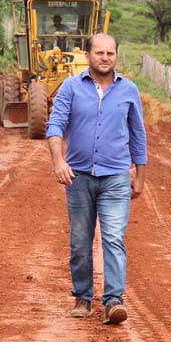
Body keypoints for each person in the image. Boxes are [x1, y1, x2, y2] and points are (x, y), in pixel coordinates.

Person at [45, 33, 147, 325]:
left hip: (115, 175)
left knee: (113, 237)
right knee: (80, 240)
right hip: (78, 177)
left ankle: (114, 300)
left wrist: (140, 177)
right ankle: (83, 296)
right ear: (87, 55)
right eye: (99, 53)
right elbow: (55, 125)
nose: (105, 58)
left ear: (116, 56)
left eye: (110, 53)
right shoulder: (71, 87)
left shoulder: (128, 90)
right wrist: (58, 161)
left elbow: (138, 135)